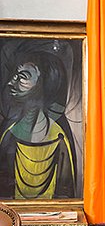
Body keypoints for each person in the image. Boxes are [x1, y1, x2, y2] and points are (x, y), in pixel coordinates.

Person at [0, 46, 78, 200]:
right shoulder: (8, 133)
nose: (11, 82)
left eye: (23, 76)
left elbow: (66, 196)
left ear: (44, 83)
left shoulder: (60, 137)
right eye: (14, 75)